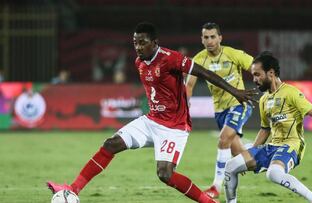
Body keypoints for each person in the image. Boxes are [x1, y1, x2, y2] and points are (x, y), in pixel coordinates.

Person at [46, 22, 257, 203]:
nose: (137, 47)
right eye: (135, 42)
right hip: (151, 121)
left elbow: (205, 73)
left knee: (165, 174)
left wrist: (235, 91)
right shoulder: (139, 62)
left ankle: (207, 200)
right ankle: (72, 189)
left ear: (154, 42)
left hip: (174, 127)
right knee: (111, 144)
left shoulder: (171, 58)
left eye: (142, 42)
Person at [223, 52, 312, 203]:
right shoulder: (264, 99)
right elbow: (265, 129)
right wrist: (251, 153)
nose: (254, 79)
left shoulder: (291, 93)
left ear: (271, 73)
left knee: (273, 174)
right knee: (231, 166)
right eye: (253, 75)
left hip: (291, 146)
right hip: (272, 146)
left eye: (257, 75)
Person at [186, 22, 254, 198]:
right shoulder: (199, 60)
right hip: (219, 110)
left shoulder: (232, 54)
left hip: (240, 103)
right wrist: (186, 103)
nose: (210, 40)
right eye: (206, 37)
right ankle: (268, 154)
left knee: (223, 139)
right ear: (202, 39)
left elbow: (255, 67)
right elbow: (190, 85)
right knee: (246, 159)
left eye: (213, 36)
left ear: (220, 38)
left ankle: (215, 187)